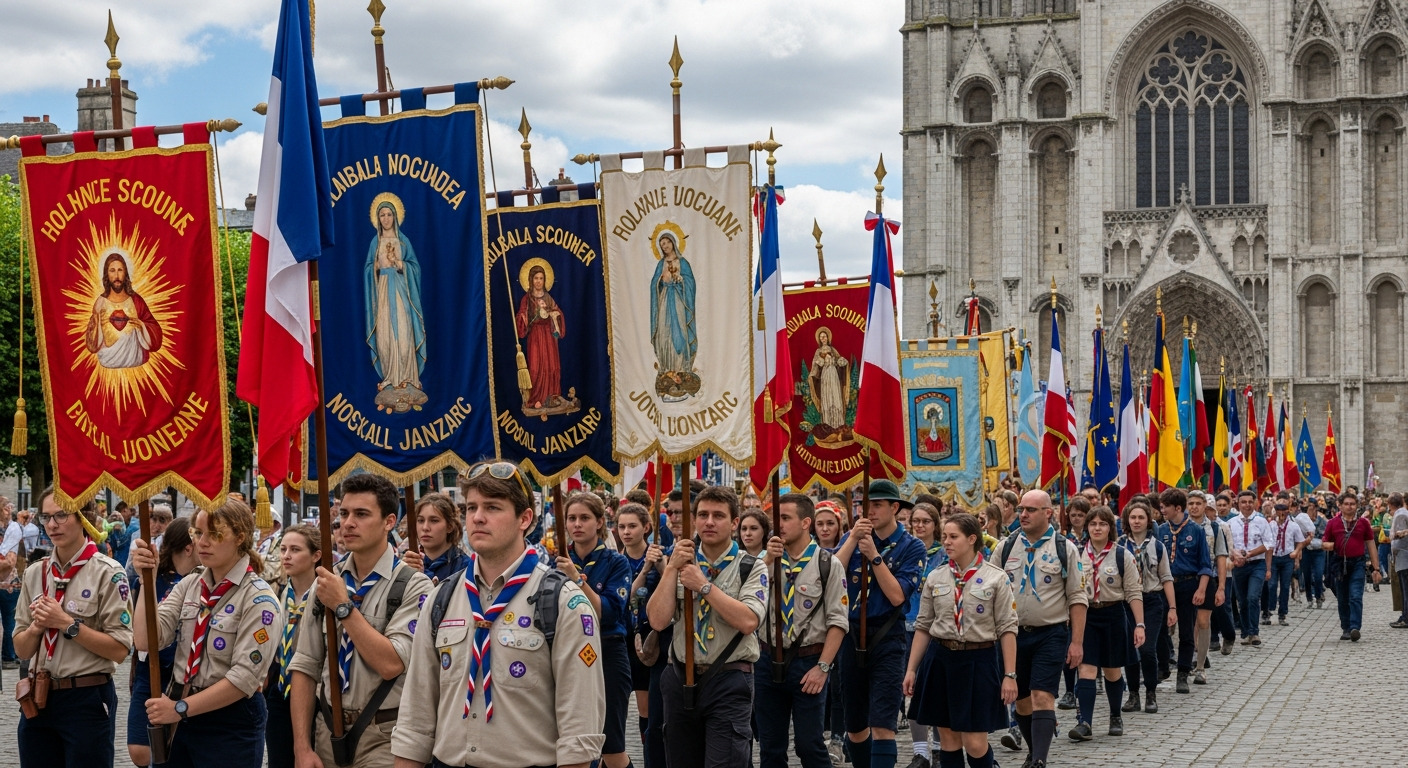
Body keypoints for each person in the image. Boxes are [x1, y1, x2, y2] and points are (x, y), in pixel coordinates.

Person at [390, 460, 605, 768]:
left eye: (492, 507)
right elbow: (416, 712)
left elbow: (580, 729)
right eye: (471, 507)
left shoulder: (564, 602)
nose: (477, 517)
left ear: (524, 518)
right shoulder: (442, 597)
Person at [288, 473, 433, 768]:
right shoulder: (326, 581)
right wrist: (302, 747)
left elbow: (391, 663)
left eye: (361, 514)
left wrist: (343, 606)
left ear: (389, 522)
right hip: (327, 728)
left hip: (384, 734)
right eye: (343, 513)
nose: (347, 523)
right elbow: (305, 666)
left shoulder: (414, 585)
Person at [131, 498, 278, 768]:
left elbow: (244, 678)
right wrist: (146, 580)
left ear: (240, 537)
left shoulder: (259, 600)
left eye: (215, 534)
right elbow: (146, 639)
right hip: (180, 712)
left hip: (228, 720)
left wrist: (180, 709)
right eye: (198, 533)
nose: (203, 542)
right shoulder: (190, 584)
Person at [647, 484, 766, 768]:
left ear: (735, 522)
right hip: (680, 677)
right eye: (702, 515)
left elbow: (749, 620)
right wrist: (672, 568)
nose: (709, 522)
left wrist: (703, 586)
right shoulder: (681, 563)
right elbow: (658, 619)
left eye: (718, 515)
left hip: (728, 677)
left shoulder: (750, 566)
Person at [14, 490, 132, 767]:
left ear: (84, 518)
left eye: (61, 515)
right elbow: (20, 648)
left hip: (86, 697)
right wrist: (35, 629)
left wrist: (67, 624)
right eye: (46, 517)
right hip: (37, 697)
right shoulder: (36, 573)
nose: (52, 524)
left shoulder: (108, 572)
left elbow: (119, 649)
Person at [904, 512, 1016, 768]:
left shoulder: (995, 578)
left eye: (954, 537)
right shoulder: (936, 577)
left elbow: (1008, 628)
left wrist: (1010, 674)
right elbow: (923, 626)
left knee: (975, 743)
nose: (947, 542)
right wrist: (912, 669)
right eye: (944, 537)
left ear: (972, 538)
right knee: (949, 740)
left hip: (979, 660)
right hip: (941, 659)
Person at [833, 480, 926, 768]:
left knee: (883, 721)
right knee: (855, 726)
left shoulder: (912, 546)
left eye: (876, 505)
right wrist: (851, 540)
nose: (868, 511)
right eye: (863, 505)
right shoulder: (852, 537)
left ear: (894, 508)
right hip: (850, 635)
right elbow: (830, 577)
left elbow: (897, 596)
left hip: (887, 635)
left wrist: (873, 554)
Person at [996, 490, 1088, 768]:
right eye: (1022, 509)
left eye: (1031, 510)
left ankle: (1039, 760)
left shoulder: (1065, 548)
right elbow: (990, 589)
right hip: (1013, 635)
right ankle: (1034, 749)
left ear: (1048, 513)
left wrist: (1077, 642)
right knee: (1022, 701)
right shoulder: (1007, 546)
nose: (1023, 514)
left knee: (1042, 695)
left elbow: (1078, 597)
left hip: (1050, 632)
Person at [754, 493, 847, 768]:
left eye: (785, 518)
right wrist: (766, 562)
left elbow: (838, 622)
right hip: (767, 659)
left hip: (808, 662)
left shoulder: (827, 564)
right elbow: (744, 602)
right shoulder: (763, 561)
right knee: (770, 747)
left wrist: (823, 667)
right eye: (776, 518)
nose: (777, 525)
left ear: (806, 522)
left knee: (809, 745)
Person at [556, 491, 634, 768]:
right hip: (567, 653)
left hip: (607, 652)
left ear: (600, 522)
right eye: (571, 518)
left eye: (585, 518)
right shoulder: (556, 563)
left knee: (611, 746)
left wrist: (577, 580)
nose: (577, 524)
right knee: (572, 745)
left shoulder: (616, 562)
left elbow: (608, 612)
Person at [1068, 506, 1142, 742]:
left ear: (1110, 528)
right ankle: (1085, 722)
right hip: (1086, 616)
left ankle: (1115, 715)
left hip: (1113, 615)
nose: (1097, 528)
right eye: (1093, 524)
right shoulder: (1076, 554)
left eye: (1102, 524)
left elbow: (1133, 592)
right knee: (1086, 668)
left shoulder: (1122, 555)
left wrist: (1139, 624)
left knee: (1111, 670)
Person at [125, 517, 194, 768]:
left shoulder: (200, 582)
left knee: (171, 749)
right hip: (151, 669)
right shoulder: (153, 577)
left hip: (183, 675)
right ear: (189, 547)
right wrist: (147, 581)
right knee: (140, 750)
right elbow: (139, 629)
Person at [266, 524, 319, 768]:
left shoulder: (325, 594)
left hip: (314, 691)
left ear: (315, 555)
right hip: (280, 688)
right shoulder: (275, 591)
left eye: (295, 550)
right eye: (284, 549)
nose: (286, 556)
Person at [365, 199, 426, 397]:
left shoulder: (403, 240)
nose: (386, 218)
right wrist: (375, 267)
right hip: (382, 291)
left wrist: (399, 264)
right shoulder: (375, 242)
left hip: (401, 290)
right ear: (377, 218)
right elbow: (367, 269)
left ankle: (408, 377)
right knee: (384, 334)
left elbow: (415, 268)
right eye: (382, 215)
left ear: (395, 216)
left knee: (404, 330)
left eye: (389, 214)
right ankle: (390, 377)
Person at [1155, 488, 1213, 694]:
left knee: (1187, 631)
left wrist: (1202, 589)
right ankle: (1164, 665)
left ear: (1177, 508)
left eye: (1165, 507)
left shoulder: (1196, 531)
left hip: (1188, 584)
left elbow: (1206, 564)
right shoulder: (1161, 530)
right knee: (1160, 627)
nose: (1162, 511)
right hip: (1164, 585)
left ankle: (1183, 672)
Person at [1119, 501, 1174, 714]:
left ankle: (1150, 692)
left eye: (1141, 517)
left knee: (1147, 649)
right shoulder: (1120, 546)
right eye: (1133, 518)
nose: (1137, 521)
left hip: (1151, 600)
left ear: (1148, 521)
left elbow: (1166, 577)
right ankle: (1133, 694)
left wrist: (1173, 608)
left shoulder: (1157, 546)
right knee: (1131, 649)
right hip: (1127, 603)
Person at [901, 503, 944, 768]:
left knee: (937, 689)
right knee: (911, 688)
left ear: (935, 525)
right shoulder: (905, 551)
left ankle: (939, 747)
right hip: (907, 625)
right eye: (915, 521)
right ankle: (920, 751)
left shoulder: (944, 554)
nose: (919, 526)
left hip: (936, 628)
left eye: (925, 521)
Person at [617, 503, 662, 748]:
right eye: (622, 526)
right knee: (617, 706)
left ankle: (648, 752)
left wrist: (660, 563)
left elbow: (669, 586)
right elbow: (626, 599)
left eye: (632, 526)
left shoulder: (657, 556)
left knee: (647, 708)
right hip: (623, 637)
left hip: (650, 637)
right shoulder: (615, 561)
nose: (626, 532)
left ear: (646, 527)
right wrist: (644, 570)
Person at [1322, 492, 1382, 641]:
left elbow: (1371, 544)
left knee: (1355, 595)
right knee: (1342, 598)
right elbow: (1324, 542)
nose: (1349, 507)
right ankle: (1346, 628)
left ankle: (1355, 627)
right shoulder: (1332, 523)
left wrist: (1376, 568)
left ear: (1357, 506)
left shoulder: (1363, 523)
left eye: (1352, 504)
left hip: (1357, 563)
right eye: (1346, 504)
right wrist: (1330, 545)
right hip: (1339, 564)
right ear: (1340, 506)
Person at [1185, 491, 1229, 684]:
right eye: (1191, 503)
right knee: (1185, 624)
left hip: (1208, 577)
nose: (1194, 507)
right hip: (1185, 578)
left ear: (1205, 505)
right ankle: (1185, 661)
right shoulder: (1180, 527)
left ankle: (1201, 666)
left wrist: (1221, 587)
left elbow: (1221, 557)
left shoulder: (1215, 528)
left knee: (1203, 622)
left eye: (1198, 503)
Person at [516, 263, 566, 409]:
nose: (538, 281)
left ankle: (551, 397)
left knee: (551, 366)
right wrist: (524, 317)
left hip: (549, 337)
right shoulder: (527, 299)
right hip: (536, 336)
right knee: (536, 367)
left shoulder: (549, 298)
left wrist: (554, 315)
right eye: (536, 278)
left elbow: (558, 313)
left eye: (541, 278)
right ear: (531, 280)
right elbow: (521, 316)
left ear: (545, 281)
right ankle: (536, 397)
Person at [1226, 490, 1271, 649]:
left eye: (1250, 502)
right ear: (1237, 503)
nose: (1247, 505)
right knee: (1242, 600)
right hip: (1239, 566)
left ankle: (1254, 632)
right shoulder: (1231, 523)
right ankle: (1245, 632)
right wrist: (1235, 556)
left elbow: (1268, 544)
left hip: (1257, 564)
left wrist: (1252, 554)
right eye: (1243, 502)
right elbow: (1228, 546)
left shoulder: (1261, 521)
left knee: (1253, 597)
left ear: (1255, 503)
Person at [400, 493, 467, 584]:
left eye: (434, 521)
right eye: (420, 520)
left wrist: (423, 577)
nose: (425, 527)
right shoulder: (407, 561)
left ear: (450, 526)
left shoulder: (464, 567)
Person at [1267, 502, 1307, 627]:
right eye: (1279, 512)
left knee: (1285, 586)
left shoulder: (1293, 526)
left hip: (1287, 557)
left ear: (1287, 512)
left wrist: (1296, 552)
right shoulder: (1271, 525)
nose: (1282, 514)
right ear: (1276, 512)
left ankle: (1282, 613)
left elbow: (1300, 541)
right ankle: (1270, 609)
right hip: (1274, 556)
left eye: (1284, 512)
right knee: (1272, 584)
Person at [0, 500, 23, 670]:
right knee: (9, 619)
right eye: (6, 508)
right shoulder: (9, 530)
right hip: (8, 582)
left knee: (10, 618)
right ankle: (8, 656)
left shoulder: (11, 529)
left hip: (10, 583)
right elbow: (9, 562)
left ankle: (9, 655)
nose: (9, 511)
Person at [1389, 493, 1408, 629]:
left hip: (1404, 556)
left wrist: (1394, 549)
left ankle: (1406, 618)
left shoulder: (1401, 515)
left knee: (1405, 590)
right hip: (1402, 556)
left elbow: (1400, 539)